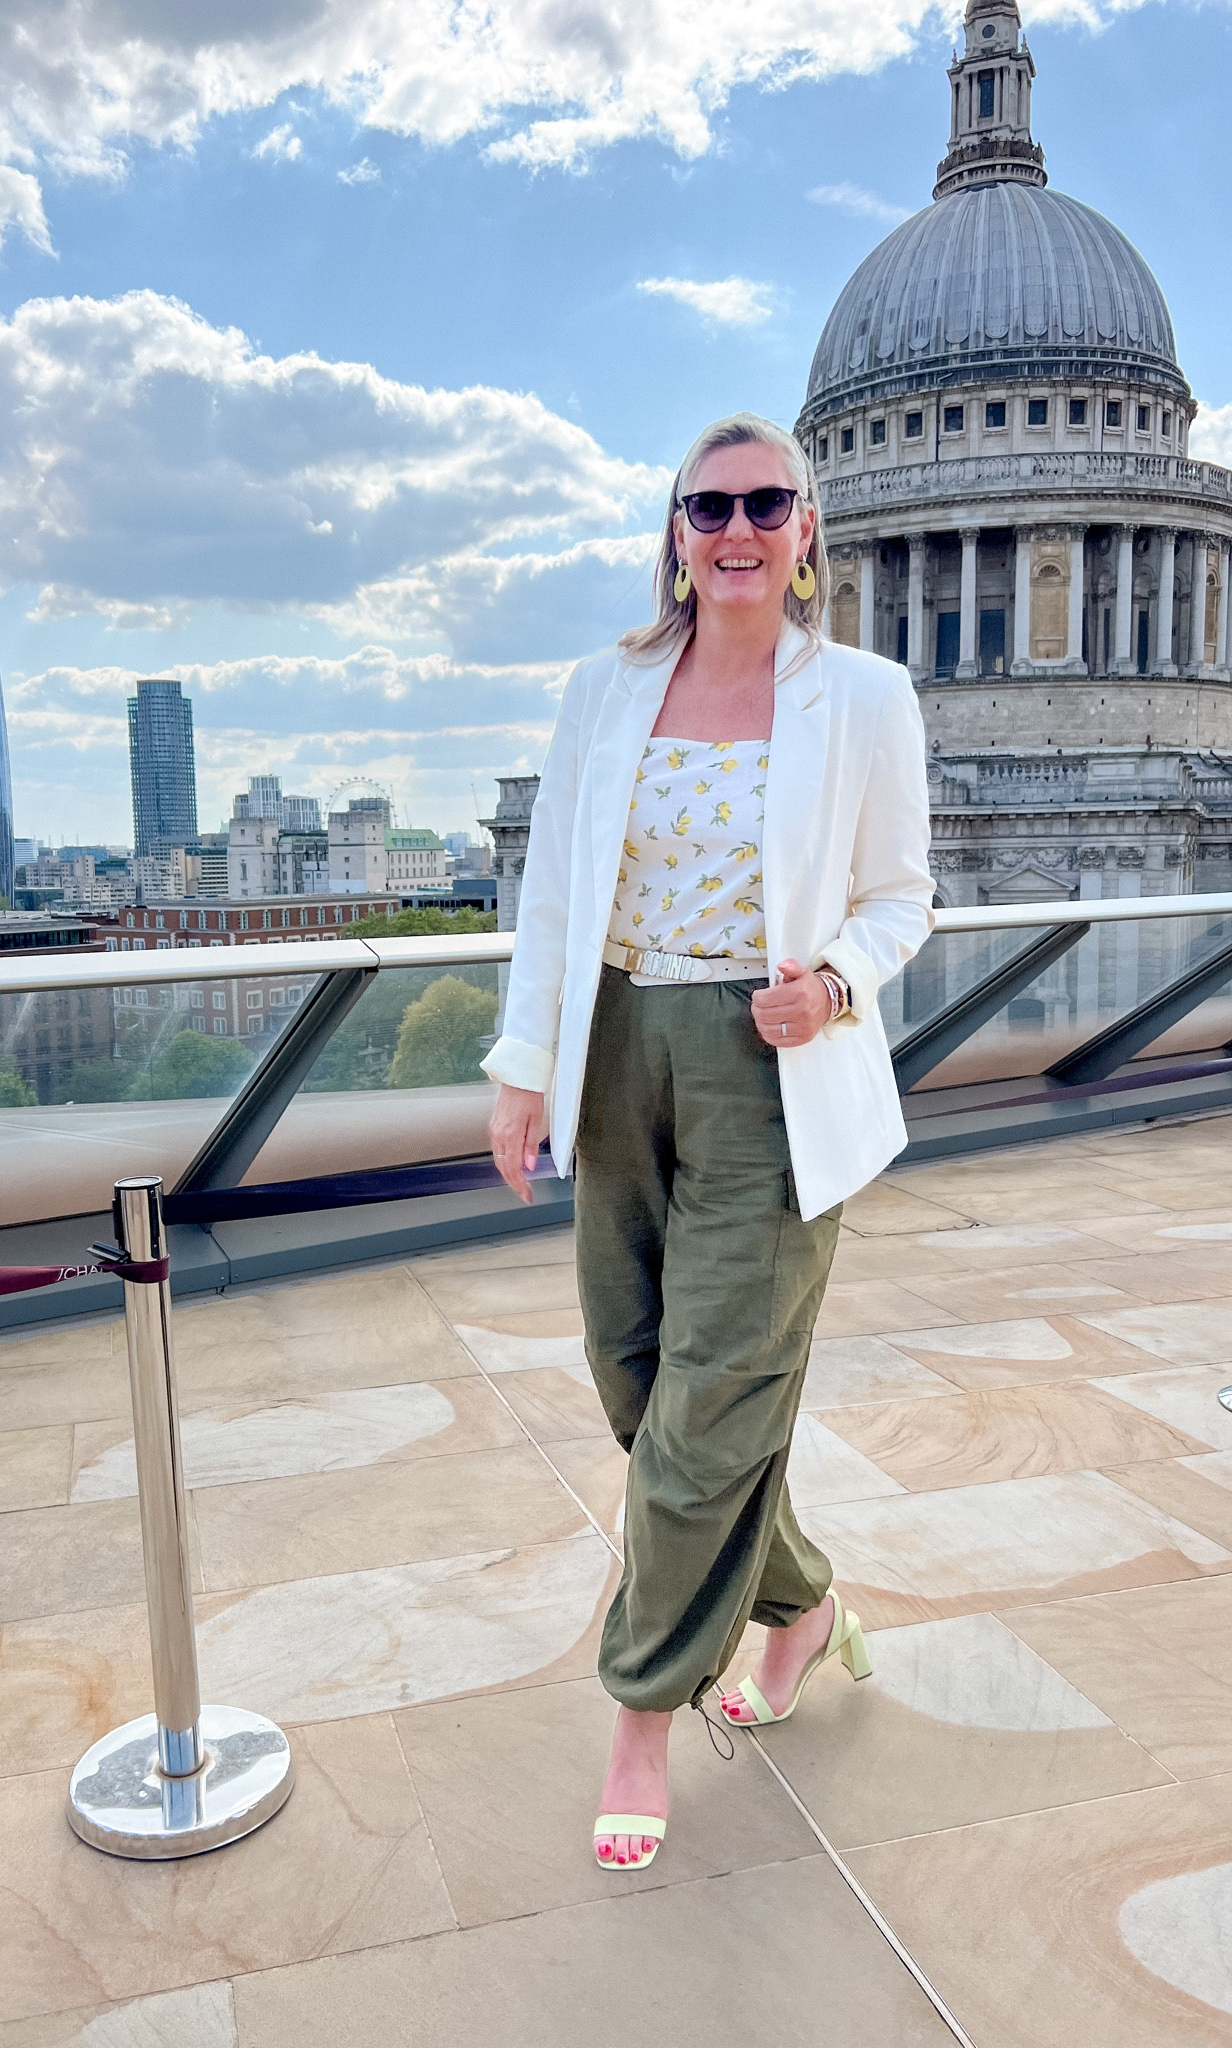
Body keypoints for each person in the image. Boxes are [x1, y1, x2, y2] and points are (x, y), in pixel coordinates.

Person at [482, 412, 934, 1871]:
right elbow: (554, 887)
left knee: (703, 1413)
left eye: (765, 505)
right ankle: (798, 1602)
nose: (736, 530)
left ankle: (640, 1713)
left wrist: (837, 986)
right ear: (674, 529)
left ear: (810, 530)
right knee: (640, 1384)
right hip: (616, 1048)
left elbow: (901, 895)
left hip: (771, 1072)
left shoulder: (863, 695)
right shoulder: (607, 688)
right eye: (708, 506)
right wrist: (521, 1066)